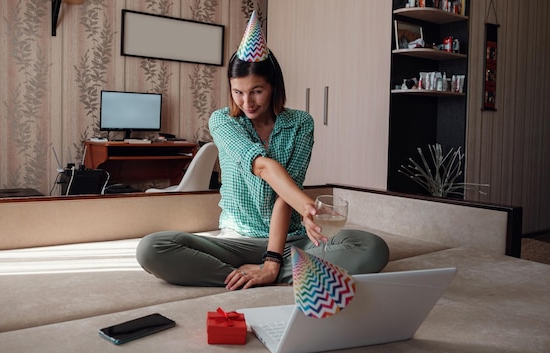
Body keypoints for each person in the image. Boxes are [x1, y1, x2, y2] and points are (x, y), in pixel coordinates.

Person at [136, 12, 389, 290]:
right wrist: (306, 206)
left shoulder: (300, 124)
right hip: (236, 242)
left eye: (256, 91)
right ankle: (285, 273)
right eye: (237, 92)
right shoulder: (223, 121)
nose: (247, 102)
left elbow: (284, 194)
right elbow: (263, 167)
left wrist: (272, 260)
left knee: (371, 246)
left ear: (273, 86)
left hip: (291, 239)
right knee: (152, 248)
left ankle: (266, 273)